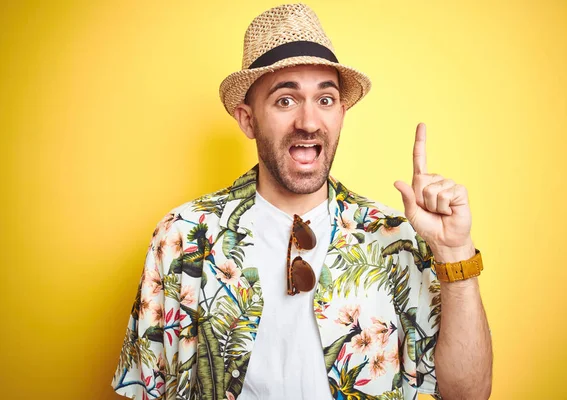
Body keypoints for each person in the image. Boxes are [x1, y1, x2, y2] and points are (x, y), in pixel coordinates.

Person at [111, 3, 492, 400]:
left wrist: (454, 253)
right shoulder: (184, 237)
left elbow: (468, 395)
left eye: (325, 100)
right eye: (285, 100)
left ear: (341, 113)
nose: (309, 122)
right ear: (247, 119)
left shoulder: (393, 236)